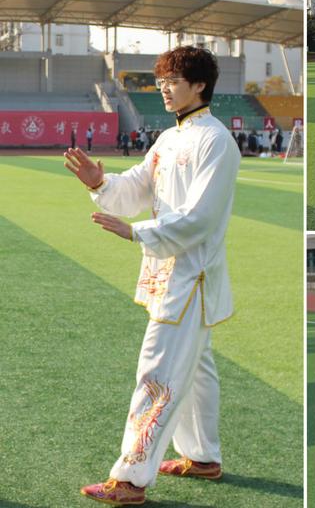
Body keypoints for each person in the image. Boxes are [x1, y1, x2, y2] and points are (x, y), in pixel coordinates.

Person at [65, 46, 240, 506]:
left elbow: (200, 218)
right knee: (197, 370)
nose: (163, 88)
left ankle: (130, 478)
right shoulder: (168, 139)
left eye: (172, 80)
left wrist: (137, 231)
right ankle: (203, 457)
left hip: (191, 276)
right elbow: (137, 187)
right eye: (161, 80)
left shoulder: (216, 141)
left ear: (199, 85)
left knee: (156, 370)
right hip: (169, 272)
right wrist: (100, 183)